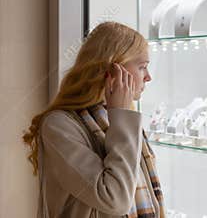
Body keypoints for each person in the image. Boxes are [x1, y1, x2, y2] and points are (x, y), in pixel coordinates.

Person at [22, 21, 165, 218]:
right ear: (113, 70)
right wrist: (122, 116)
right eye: (142, 67)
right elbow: (114, 200)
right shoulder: (59, 126)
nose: (148, 77)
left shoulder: (116, 119)